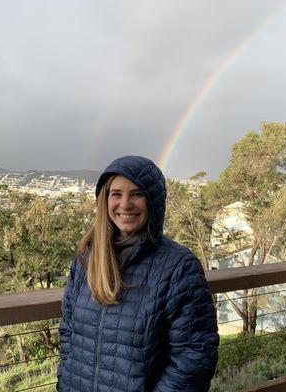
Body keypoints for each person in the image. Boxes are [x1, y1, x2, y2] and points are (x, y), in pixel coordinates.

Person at [57, 155, 218, 392]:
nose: (125, 204)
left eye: (137, 194)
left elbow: (194, 356)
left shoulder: (178, 266)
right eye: (116, 194)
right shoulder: (86, 257)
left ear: (153, 201)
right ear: (105, 200)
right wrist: (65, 379)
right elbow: (68, 331)